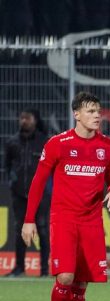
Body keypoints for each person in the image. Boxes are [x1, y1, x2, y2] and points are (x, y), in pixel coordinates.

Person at [23, 92, 110, 301]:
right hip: (64, 219)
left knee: (81, 284)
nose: (97, 115)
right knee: (65, 277)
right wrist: (29, 219)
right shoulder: (58, 143)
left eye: (98, 111)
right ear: (76, 114)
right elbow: (38, 182)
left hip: (91, 221)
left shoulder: (108, 146)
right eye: (90, 111)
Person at [5, 108, 50, 277]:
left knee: (43, 229)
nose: (24, 121)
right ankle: (19, 268)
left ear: (35, 120)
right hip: (19, 194)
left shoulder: (45, 142)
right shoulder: (12, 142)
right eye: (22, 118)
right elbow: (7, 165)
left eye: (28, 118)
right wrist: (12, 182)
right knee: (20, 230)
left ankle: (44, 270)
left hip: (41, 195)